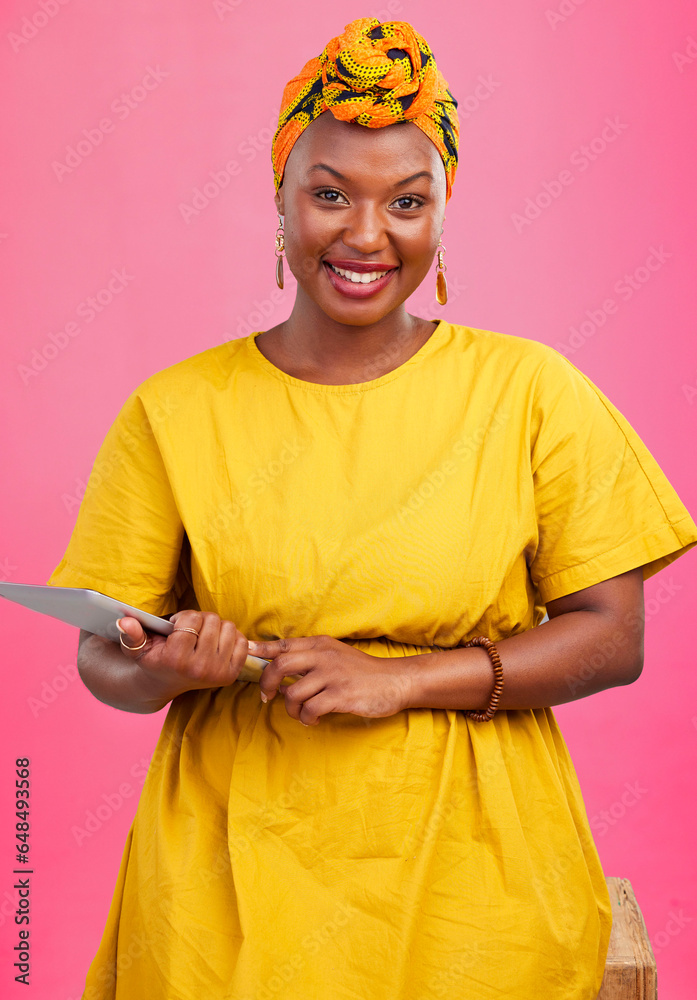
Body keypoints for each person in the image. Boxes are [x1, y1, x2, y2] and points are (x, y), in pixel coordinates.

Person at [47, 17, 697, 1000]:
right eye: (327, 193)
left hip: (477, 890)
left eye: (406, 200)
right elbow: (103, 653)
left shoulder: (530, 392)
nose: (364, 234)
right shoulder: (173, 410)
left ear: (443, 211)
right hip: (228, 885)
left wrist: (401, 682)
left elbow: (613, 637)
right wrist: (167, 665)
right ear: (279, 198)